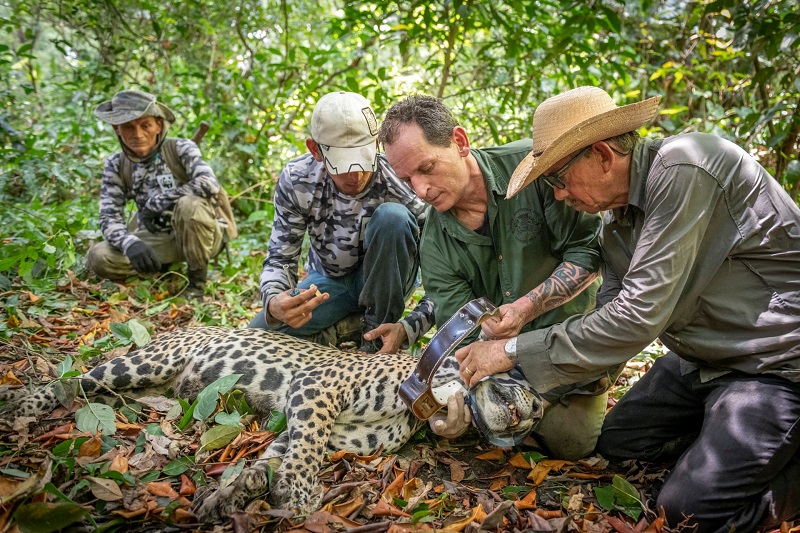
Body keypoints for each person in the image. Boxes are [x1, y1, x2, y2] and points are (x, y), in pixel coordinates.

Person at [457, 86, 800, 531]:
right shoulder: (615, 226)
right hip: (706, 359)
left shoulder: (687, 166)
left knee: (686, 514)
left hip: (774, 362)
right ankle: (740, 442)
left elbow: (638, 315)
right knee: (619, 442)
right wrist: (538, 388)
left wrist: (510, 352)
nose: (559, 196)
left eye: (558, 180)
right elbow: (610, 319)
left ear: (601, 154)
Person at [373, 95, 616, 460]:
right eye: (407, 179)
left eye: (427, 168)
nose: (420, 190)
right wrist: (457, 403)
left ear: (459, 141)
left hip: (573, 339)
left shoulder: (535, 168)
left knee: (572, 443)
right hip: (503, 360)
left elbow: (589, 252)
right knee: (487, 416)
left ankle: (570, 393)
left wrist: (524, 309)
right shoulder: (435, 245)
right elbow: (462, 335)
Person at [248, 91, 430, 353]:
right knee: (254, 342)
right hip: (328, 281)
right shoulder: (298, 179)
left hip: (388, 283)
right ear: (316, 150)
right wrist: (275, 302)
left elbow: (441, 268)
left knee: (393, 218)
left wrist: (411, 326)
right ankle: (348, 324)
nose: (355, 175)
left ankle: (376, 334)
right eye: (343, 164)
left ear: (377, 144)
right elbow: (279, 257)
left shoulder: (402, 177)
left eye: (362, 159)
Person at [86, 89, 235, 297]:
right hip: (158, 237)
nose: (138, 134)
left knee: (189, 205)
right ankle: (155, 267)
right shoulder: (116, 164)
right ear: (116, 129)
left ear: (158, 125)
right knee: (99, 256)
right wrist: (130, 244)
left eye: (145, 125)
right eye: (128, 127)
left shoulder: (182, 148)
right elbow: (108, 217)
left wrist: (158, 202)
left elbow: (210, 184)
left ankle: (196, 284)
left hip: (204, 235)